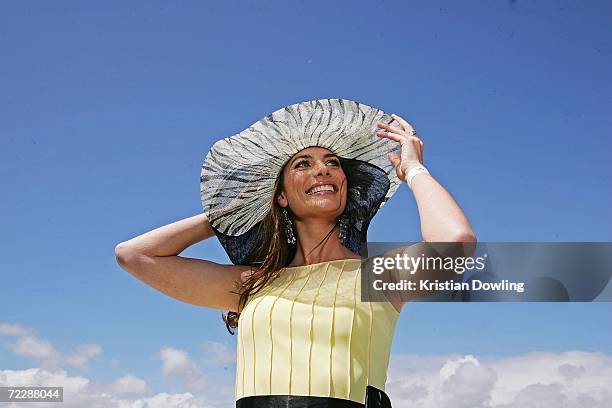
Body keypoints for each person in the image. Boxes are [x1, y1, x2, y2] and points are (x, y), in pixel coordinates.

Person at [115, 99, 476, 407]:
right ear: (281, 196)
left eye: (333, 163)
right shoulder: (252, 284)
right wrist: (227, 214)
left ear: (346, 189)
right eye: (303, 164)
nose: (322, 168)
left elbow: (455, 243)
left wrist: (413, 169)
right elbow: (134, 256)